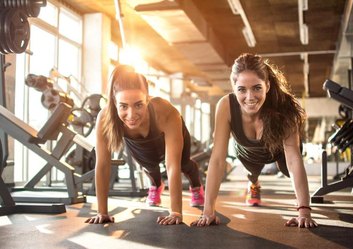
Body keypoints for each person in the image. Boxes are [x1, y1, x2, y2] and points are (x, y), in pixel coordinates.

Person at [191, 53, 317, 228]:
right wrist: (208, 211)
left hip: (279, 151)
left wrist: (304, 211)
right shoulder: (226, 106)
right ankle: (254, 184)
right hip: (246, 151)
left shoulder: (285, 106)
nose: (250, 97)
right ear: (234, 88)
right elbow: (218, 160)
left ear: (267, 85)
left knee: (289, 170)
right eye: (242, 89)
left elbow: (294, 159)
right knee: (252, 172)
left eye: (257, 88)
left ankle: (262, 183)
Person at [85, 65, 204, 225]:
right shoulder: (105, 117)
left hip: (170, 135)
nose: (131, 115)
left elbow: (172, 166)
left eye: (138, 105)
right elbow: (103, 165)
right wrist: (102, 212)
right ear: (114, 102)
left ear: (148, 98)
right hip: (140, 142)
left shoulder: (166, 111)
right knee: (150, 167)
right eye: (124, 106)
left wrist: (175, 212)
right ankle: (156, 186)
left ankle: (196, 186)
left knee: (183, 164)